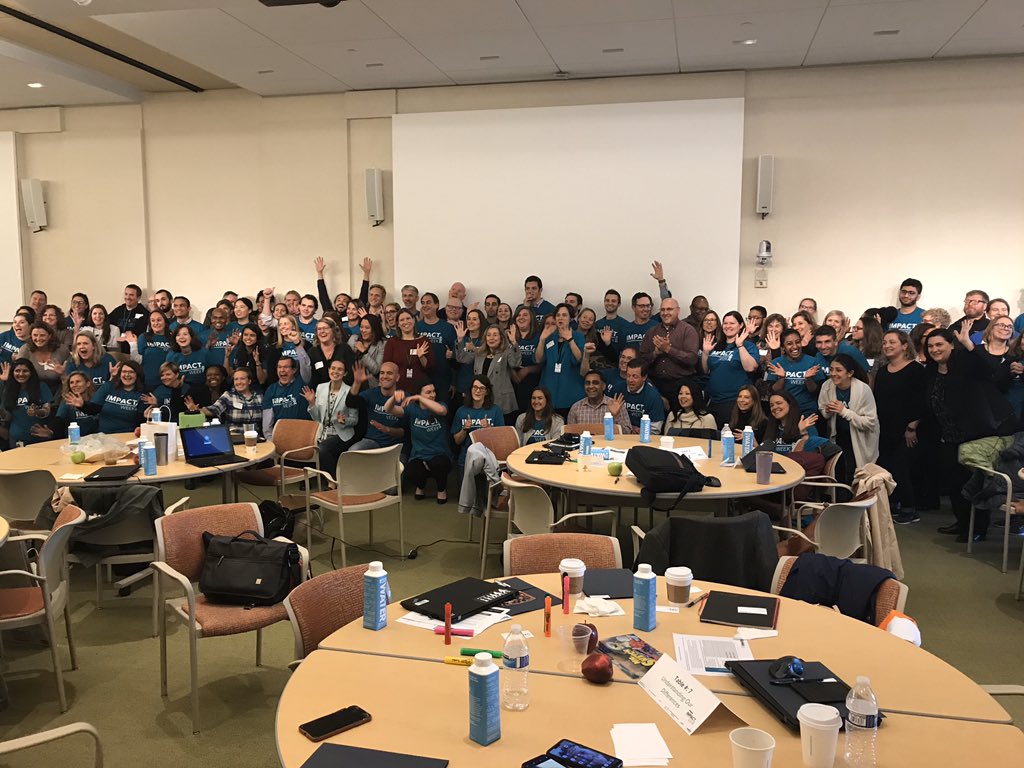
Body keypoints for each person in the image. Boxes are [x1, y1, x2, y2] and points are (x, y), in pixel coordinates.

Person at [922, 329, 1017, 543]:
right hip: (949, 435)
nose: (935, 349)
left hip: (976, 434)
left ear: (951, 345)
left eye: (939, 345)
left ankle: (977, 527)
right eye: (931, 346)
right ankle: (962, 522)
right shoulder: (932, 370)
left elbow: (990, 369)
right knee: (954, 481)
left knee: (973, 482)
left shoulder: (966, 363)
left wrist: (968, 344)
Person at [873, 330, 926, 524]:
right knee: (887, 467)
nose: (887, 345)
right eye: (884, 342)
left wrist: (912, 427)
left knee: (901, 467)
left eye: (892, 342)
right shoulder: (882, 371)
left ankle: (909, 508)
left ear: (904, 345)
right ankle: (894, 503)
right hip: (885, 428)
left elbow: (921, 401)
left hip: (907, 430)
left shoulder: (916, 370)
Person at [817, 353, 879, 486]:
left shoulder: (863, 389)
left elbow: (870, 422)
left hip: (860, 438)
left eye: (838, 370)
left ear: (850, 373)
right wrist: (828, 410)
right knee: (839, 471)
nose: (833, 374)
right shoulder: (827, 386)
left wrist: (844, 411)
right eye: (831, 369)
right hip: (838, 436)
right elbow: (823, 411)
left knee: (857, 474)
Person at [386, 382, 451, 503]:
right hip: (418, 454)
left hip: (439, 453)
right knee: (410, 472)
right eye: (428, 392)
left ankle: (441, 489)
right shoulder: (412, 409)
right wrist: (393, 398)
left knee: (440, 465)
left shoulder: (440, 404)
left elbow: (441, 411)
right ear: (419, 393)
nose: (433, 395)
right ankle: (421, 485)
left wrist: (419, 397)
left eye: (433, 391)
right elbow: (388, 409)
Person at [303, 359, 367, 477]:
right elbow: (317, 418)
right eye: (333, 368)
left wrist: (344, 420)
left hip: (341, 433)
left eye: (340, 369)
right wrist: (312, 403)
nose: (335, 372)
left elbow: (354, 420)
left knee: (322, 449)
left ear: (345, 373)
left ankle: (332, 481)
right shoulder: (320, 388)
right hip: (322, 432)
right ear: (328, 370)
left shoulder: (350, 391)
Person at [701, 310, 759, 427]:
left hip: (735, 402)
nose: (728, 326)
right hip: (713, 401)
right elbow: (705, 370)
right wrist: (706, 353)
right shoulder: (716, 345)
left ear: (741, 325)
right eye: (725, 323)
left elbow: (750, 368)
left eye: (732, 323)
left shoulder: (749, 346)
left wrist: (740, 345)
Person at [457, 323, 521, 422]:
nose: (491, 338)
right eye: (489, 335)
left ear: (501, 338)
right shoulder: (479, 352)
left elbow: (515, 363)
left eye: (495, 335)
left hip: (501, 399)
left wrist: (513, 342)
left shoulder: (506, 352)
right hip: (482, 397)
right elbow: (462, 358)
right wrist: (460, 340)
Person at [639, 297, 699, 399]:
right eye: (662, 310)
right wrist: (655, 353)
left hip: (681, 386)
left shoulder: (688, 330)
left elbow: (692, 359)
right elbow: (641, 360)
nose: (665, 313)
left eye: (669, 309)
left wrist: (668, 349)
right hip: (655, 385)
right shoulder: (651, 332)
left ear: (678, 311)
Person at [536, 303, 585, 416]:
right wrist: (542, 340)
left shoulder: (578, 336)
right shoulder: (549, 336)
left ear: (570, 318)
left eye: (564, 315)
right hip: (549, 389)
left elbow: (579, 358)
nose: (560, 318)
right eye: (558, 315)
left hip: (570, 390)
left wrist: (570, 340)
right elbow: (538, 359)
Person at [765, 328, 824, 416]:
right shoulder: (776, 363)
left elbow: (816, 392)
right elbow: (773, 392)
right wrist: (781, 378)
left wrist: (808, 379)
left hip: (808, 411)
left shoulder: (813, 361)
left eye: (797, 342)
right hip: (784, 412)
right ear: (783, 347)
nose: (795, 346)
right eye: (789, 344)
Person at [349, 361, 406, 451]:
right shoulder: (371, 394)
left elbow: (404, 432)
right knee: (353, 451)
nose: (385, 376)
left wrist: (387, 429)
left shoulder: (404, 398)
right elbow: (351, 403)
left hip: (395, 446)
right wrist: (357, 383)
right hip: (372, 442)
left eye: (389, 373)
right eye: (382, 373)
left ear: (397, 377)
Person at [451, 375, 504, 469]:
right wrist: (464, 429)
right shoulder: (461, 411)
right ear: (470, 390)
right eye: (475, 387)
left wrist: (489, 429)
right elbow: (457, 441)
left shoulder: (495, 410)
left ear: (487, 392)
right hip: (466, 460)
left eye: (482, 388)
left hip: (489, 460)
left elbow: (501, 440)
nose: (478, 391)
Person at [83, 360, 149, 434]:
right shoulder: (109, 386)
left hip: (128, 435)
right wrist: (81, 405)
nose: (127, 375)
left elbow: (141, 421)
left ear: (137, 375)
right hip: (104, 435)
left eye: (131, 372)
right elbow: (93, 410)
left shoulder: (143, 394)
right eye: (124, 371)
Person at [0, 359, 54, 447]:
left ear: (31, 372)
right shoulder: (8, 390)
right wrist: (1, 412)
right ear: (12, 373)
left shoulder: (41, 387)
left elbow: (47, 411)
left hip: (39, 437)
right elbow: (8, 417)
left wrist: (37, 412)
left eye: (25, 371)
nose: (21, 374)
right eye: (17, 371)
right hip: (16, 439)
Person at [196, 368, 264, 434]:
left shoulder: (259, 397)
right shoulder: (228, 396)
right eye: (236, 379)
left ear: (249, 381)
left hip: (254, 436)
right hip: (234, 435)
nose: (239, 382)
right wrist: (197, 410)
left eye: (242, 379)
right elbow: (214, 409)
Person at [416, 293, 457, 402]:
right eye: (423, 303)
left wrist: (453, 382)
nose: (425, 305)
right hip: (421, 380)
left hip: (443, 381)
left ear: (437, 305)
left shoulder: (448, 328)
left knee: (441, 410)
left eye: (429, 302)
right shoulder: (416, 327)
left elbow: (455, 356)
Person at [383, 308, 431, 394]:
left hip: (421, 389)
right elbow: (387, 366)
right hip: (398, 389)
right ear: (398, 324)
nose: (405, 322)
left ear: (413, 320)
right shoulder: (392, 342)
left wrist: (421, 357)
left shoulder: (424, 341)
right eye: (402, 320)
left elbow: (430, 368)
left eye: (408, 318)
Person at [762, 391, 826, 454]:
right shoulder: (772, 429)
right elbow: (763, 453)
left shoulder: (806, 426)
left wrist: (803, 432)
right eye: (771, 405)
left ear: (790, 404)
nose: (774, 407)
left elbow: (812, 453)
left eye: (779, 403)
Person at [262, 357, 310, 439]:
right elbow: (267, 423)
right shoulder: (271, 389)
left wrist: (298, 348)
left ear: (294, 370)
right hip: (280, 436)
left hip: (302, 435)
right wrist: (271, 441)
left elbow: (306, 365)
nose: (282, 370)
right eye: (279, 367)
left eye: (286, 367)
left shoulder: (302, 383)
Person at [613, 359, 665, 434]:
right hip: (620, 433)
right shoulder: (617, 389)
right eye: (628, 375)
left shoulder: (653, 396)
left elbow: (655, 429)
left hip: (643, 436)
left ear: (644, 377)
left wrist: (642, 431)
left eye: (635, 376)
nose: (630, 380)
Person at [125, 310, 173, 390]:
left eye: (159, 320)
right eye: (153, 320)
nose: (156, 323)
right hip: (146, 381)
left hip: (167, 382)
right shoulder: (144, 337)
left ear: (165, 321)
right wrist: (132, 344)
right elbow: (137, 360)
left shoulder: (172, 338)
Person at [510, 307, 542, 419]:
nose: (521, 317)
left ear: (532, 318)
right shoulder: (509, 335)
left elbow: (543, 362)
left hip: (533, 380)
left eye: (525, 315)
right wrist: (513, 373)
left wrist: (527, 370)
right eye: (519, 315)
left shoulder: (539, 337)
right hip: (512, 379)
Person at [17, 322, 69, 390]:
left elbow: (72, 377)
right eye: (35, 335)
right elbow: (17, 373)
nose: (38, 338)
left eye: (42, 335)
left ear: (49, 336)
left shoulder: (62, 350)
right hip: (32, 389)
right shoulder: (25, 349)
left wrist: (63, 374)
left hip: (58, 390)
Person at [308, 317, 355, 389]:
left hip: (343, 391)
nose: (322, 331)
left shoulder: (344, 349)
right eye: (319, 329)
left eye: (325, 328)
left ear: (333, 330)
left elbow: (351, 375)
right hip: (319, 393)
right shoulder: (312, 352)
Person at [452, 309, 487, 406]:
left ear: (481, 322)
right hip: (462, 385)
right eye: (469, 319)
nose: (471, 322)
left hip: (480, 387)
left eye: (474, 319)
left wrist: (474, 349)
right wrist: (460, 340)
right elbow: (456, 362)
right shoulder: (461, 338)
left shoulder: (485, 340)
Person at [53, 371, 99, 439]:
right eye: (71, 382)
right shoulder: (67, 401)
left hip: (96, 439)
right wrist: (51, 431)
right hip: (75, 440)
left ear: (88, 383)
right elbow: (59, 419)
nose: (74, 385)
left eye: (78, 381)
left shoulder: (97, 399)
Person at [226, 323, 268, 390]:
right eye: (245, 335)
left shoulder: (263, 352)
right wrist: (227, 357)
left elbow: (262, 380)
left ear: (258, 337)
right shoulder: (237, 350)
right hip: (239, 388)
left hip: (256, 390)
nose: (248, 338)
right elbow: (229, 375)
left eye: (252, 335)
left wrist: (257, 362)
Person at [349, 314, 385, 389]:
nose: (363, 330)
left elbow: (376, 370)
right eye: (361, 327)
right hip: (352, 383)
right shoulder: (353, 339)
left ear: (375, 329)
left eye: (367, 328)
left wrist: (363, 351)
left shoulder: (382, 344)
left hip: (371, 386)